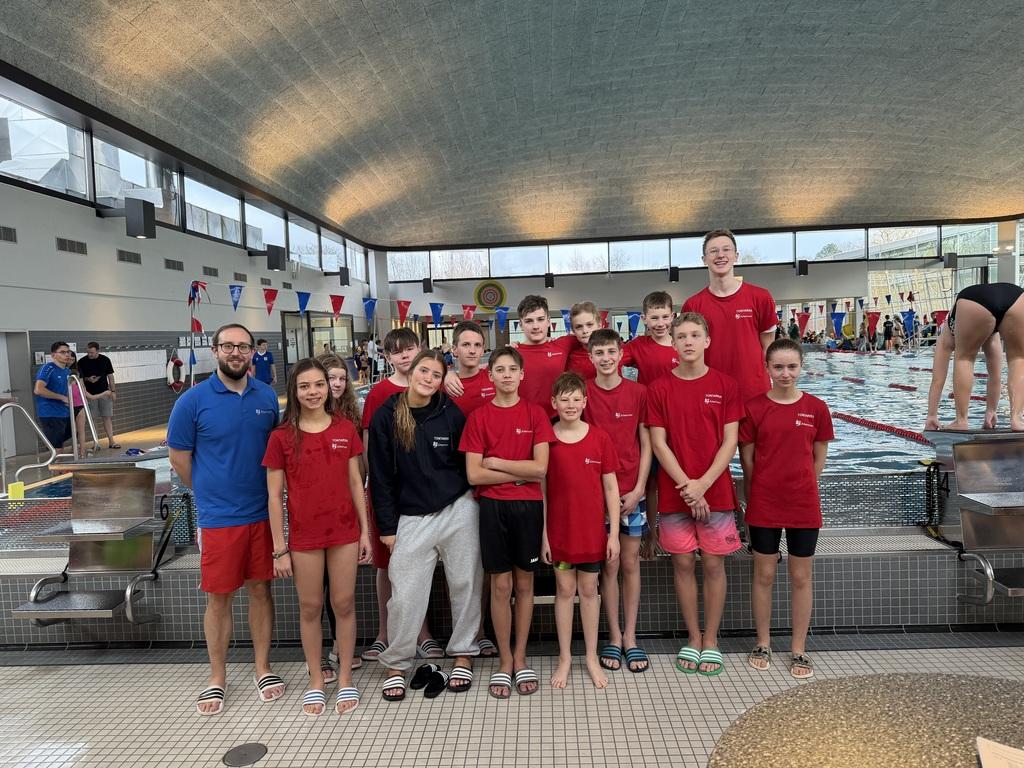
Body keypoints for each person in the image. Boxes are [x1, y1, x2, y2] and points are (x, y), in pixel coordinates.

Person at [167, 324, 285, 716]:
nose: (236, 352)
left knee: (260, 591)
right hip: (219, 518)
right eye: (228, 346)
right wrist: (211, 490)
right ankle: (217, 676)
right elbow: (179, 459)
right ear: (215, 350)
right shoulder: (192, 402)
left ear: (252, 352)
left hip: (261, 513)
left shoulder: (266, 396)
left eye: (243, 346)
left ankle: (262, 668)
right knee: (219, 596)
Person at [370, 350, 483, 701]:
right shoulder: (387, 415)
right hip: (411, 515)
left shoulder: (450, 412)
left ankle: (463, 652)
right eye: (424, 371)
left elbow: (466, 463)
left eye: (436, 375)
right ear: (411, 371)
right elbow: (380, 477)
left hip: (457, 508)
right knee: (405, 593)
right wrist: (387, 528)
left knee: (465, 583)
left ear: (442, 381)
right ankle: (397, 662)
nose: (428, 379)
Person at [263, 358, 370, 716]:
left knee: (344, 604)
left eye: (319, 385)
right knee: (310, 607)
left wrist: (365, 532)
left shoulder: (344, 429)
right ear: (294, 391)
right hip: (304, 537)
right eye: (305, 386)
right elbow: (273, 497)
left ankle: (345, 677)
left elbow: (356, 483)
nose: (313, 392)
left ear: (329, 388)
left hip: (344, 532)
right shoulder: (281, 437)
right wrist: (279, 548)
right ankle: (315, 680)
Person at [648, 312, 742, 678]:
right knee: (684, 564)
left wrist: (702, 484)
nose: (688, 341)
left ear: (707, 341)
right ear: (672, 343)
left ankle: (712, 639)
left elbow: (730, 442)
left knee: (714, 564)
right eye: (682, 336)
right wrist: (689, 486)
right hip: (677, 493)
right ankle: (693, 636)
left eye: (694, 335)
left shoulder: (725, 385)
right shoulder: (659, 388)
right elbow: (659, 443)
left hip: (715, 490)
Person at [460, 345, 553, 699]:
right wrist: (520, 473)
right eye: (500, 370)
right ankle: (504, 660)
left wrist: (497, 463)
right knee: (500, 586)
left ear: (522, 374)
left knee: (525, 584)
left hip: (528, 508)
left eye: (512, 369)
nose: (507, 375)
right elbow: (473, 475)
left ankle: (521, 656)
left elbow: (540, 469)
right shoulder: (479, 418)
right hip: (493, 509)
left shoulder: (535, 414)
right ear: (491, 376)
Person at [739, 339, 833, 679]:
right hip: (764, 503)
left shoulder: (816, 408)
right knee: (764, 574)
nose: (785, 373)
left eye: (792, 366)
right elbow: (748, 461)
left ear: (801, 367)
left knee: (801, 576)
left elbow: (818, 458)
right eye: (778, 367)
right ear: (767, 368)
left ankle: (798, 648)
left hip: (803, 504)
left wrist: (802, 485)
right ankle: (763, 642)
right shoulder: (754, 408)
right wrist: (759, 493)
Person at [360, 328, 442, 661]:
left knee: (419, 566)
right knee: (386, 566)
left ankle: (422, 633)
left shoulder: (433, 386)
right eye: (396, 351)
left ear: (420, 349)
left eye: (409, 349)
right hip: (389, 494)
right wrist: (377, 491)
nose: (405, 355)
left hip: (422, 496)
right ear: (387, 357)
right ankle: (385, 632)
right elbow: (370, 448)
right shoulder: (380, 393)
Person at [544, 372, 620, 689]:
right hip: (560, 533)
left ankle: (590, 656)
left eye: (576, 399)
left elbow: (611, 489)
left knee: (589, 590)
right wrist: (544, 535)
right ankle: (565, 657)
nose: (571, 405)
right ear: (554, 402)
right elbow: (542, 492)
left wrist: (613, 534)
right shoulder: (547, 440)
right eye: (565, 399)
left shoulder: (599, 438)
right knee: (564, 591)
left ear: (585, 402)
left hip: (590, 534)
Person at [586, 329, 653, 674]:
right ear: (590, 357)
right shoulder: (584, 393)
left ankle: (631, 636)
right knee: (609, 566)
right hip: (596, 497)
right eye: (599, 353)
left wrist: (640, 488)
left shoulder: (638, 393)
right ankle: (613, 634)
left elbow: (647, 444)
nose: (606, 358)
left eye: (611, 352)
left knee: (630, 563)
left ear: (621, 354)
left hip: (631, 493)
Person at [315, 352, 367, 681]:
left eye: (341, 379)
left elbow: (359, 469)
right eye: (329, 378)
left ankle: (338, 645)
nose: (336, 384)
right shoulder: (300, 418)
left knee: (341, 589)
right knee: (315, 590)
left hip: (345, 508)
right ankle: (318, 652)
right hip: (313, 513)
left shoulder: (349, 417)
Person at [682, 229, 777, 404]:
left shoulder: (760, 297)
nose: (720, 255)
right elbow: (690, 353)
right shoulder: (693, 305)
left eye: (726, 249)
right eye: (713, 251)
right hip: (711, 393)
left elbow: (768, 348)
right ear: (704, 259)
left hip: (754, 391)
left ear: (736, 256)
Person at [926, 282, 1024, 431]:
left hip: (973, 299)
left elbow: (938, 379)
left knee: (964, 358)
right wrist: (991, 410)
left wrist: (932, 415)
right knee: (1018, 359)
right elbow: (995, 375)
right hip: (1015, 295)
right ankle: (1016, 419)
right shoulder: (992, 335)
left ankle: (961, 421)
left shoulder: (945, 337)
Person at [77, 342, 119, 449]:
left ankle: (112, 441)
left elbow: (110, 377)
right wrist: (88, 379)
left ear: (98, 351)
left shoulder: (105, 360)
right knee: (92, 419)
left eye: (92, 352)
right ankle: (96, 443)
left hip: (105, 392)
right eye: (88, 352)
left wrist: (113, 391)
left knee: (107, 417)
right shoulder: (82, 362)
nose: (89, 354)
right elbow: (79, 378)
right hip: (89, 394)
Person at [33, 341, 73, 451]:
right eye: (63, 352)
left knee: (64, 439)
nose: (67, 355)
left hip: (64, 411)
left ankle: (58, 460)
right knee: (57, 447)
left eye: (68, 352)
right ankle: (56, 462)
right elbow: (38, 389)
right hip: (50, 412)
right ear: (53, 355)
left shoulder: (67, 371)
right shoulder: (48, 368)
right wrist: (62, 398)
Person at [566, 301, 601, 379]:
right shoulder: (569, 357)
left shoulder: (615, 349)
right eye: (579, 327)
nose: (585, 331)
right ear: (573, 331)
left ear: (599, 325)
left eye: (589, 325)